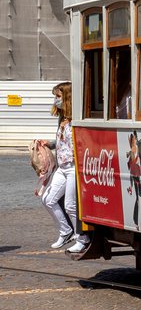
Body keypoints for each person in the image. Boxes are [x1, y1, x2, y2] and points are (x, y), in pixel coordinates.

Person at [38, 83, 87, 253]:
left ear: (67, 98)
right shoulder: (63, 118)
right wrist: (49, 144)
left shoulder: (76, 121)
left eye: (58, 96)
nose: (55, 100)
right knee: (47, 199)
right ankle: (65, 231)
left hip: (73, 167)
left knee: (70, 205)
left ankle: (82, 238)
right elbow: (63, 143)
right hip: (62, 166)